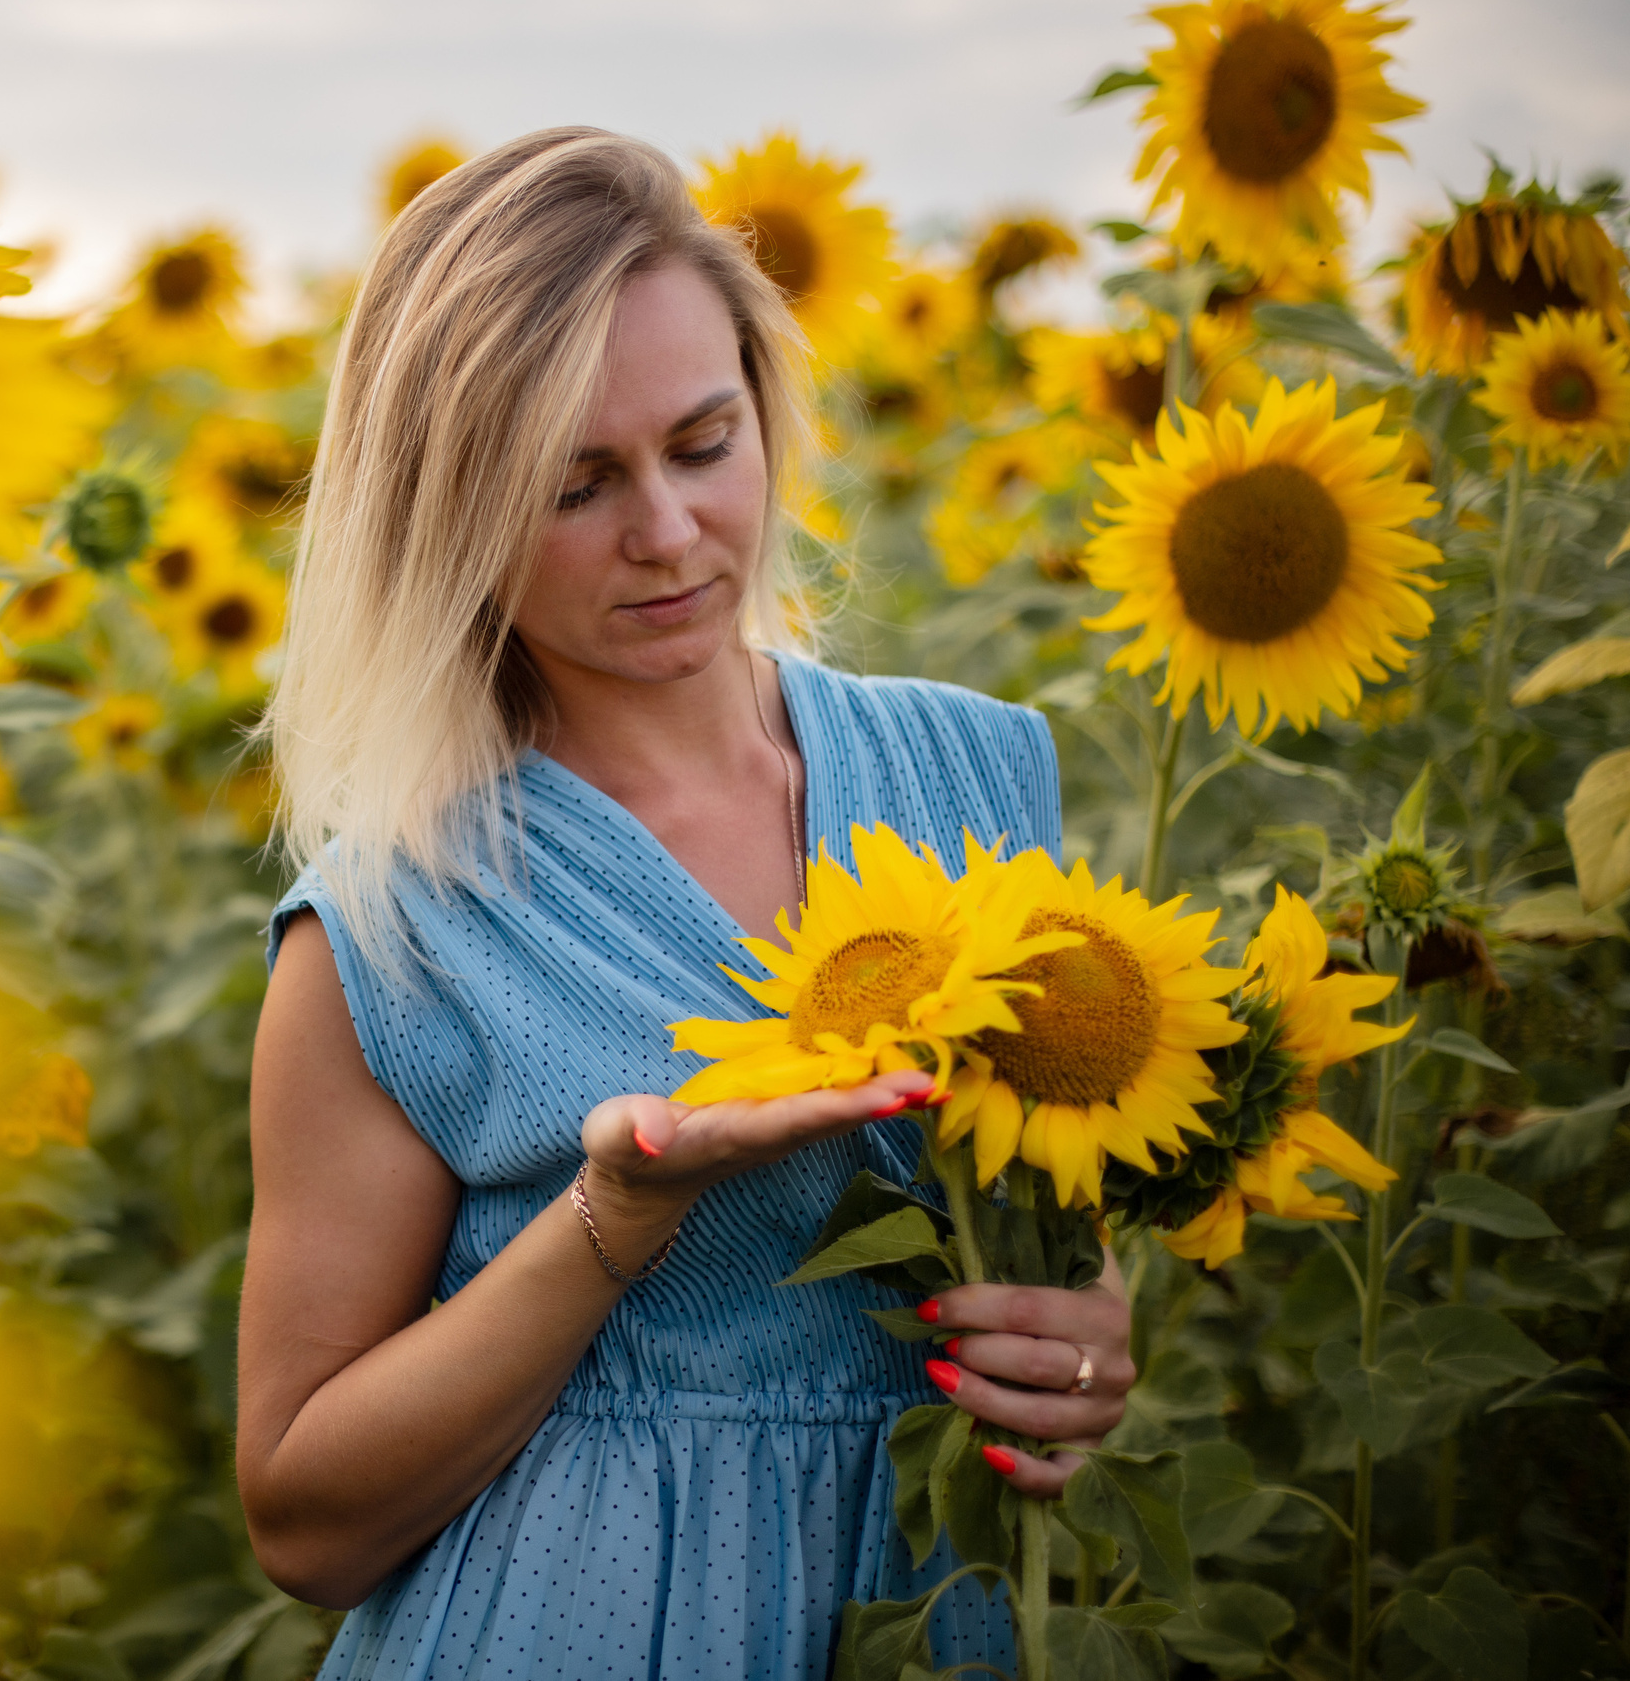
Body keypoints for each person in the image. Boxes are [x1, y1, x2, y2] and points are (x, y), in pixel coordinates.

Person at [238, 127, 1135, 1681]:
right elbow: (306, 1524)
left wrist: (1087, 1340)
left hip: (955, 1613)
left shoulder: (980, 779)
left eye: (704, 444)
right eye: (575, 485)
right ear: (449, 517)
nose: (665, 533)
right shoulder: (390, 926)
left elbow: (1052, 1213)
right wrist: (620, 1217)